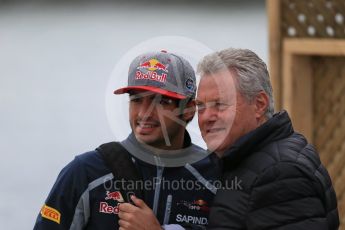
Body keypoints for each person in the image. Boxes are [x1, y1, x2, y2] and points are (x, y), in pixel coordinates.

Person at [34, 50, 220, 230]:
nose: (144, 113)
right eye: (136, 99)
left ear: (189, 110)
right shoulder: (86, 171)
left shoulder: (216, 175)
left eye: (162, 101)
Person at [196, 48, 340, 229]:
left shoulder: (281, 173)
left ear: (259, 105)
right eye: (200, 106)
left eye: (220, 104)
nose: (205, 117)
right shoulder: (242, 160)